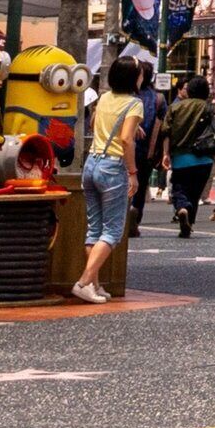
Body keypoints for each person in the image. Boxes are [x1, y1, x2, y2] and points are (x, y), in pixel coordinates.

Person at [72, 57, 148, 303]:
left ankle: (95, 284)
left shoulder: (104, 97)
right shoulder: (134, 104)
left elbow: (95, 123)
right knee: (113, 231)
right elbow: (126, 140)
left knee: (95, 227)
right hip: (113, 167)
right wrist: (133, 173)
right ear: (133, 78)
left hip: (92, 162)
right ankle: (84, 282)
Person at [158, 76, 215, 237]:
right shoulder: (211, 108)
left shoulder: (176, 108)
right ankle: (189, 222)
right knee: (195, 191)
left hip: (181, 156)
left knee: (179, 188)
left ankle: (182, 208)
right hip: (205, 157)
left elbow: (166, 132)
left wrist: (166, 153)